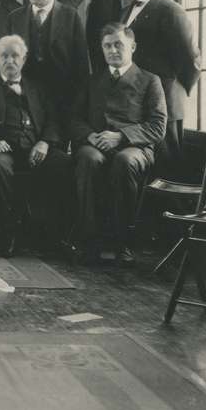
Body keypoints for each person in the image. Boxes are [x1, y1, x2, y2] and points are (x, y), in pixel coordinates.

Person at [0, 36, 73, 256]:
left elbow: (53, 120)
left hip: (35, 148)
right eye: (4, 55)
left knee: (65, 163)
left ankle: (54, 236)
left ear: (24, 59)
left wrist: (44, 143)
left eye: (15, 55)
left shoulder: (37, 88)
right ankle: (7, 234)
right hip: (2, 151)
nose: (9, 60)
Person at [70, 23, 167, 266]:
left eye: (118, 45)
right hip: (96, 142)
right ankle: (89, 241)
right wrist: (89, 136)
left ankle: (122, 242)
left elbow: (158, 127)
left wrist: (122, 136)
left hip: (135, 146)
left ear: (132, 47)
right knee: (88, 159)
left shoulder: (149, 80)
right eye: (107, 46)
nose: (112, 50)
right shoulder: (92, 81)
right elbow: (74, 119)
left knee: (125, 161)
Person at [120, 0, 200, 174]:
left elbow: (190, 61)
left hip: (166, 103)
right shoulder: (125, 12)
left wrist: (175, 92)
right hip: (135, 103)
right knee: (141, 168)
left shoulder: (171, 11)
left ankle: (167, 210)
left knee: (167, 168)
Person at [8, 0, 90, 119]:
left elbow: (81, 64)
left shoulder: (70, 16)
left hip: (61, 95)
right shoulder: (15, 18)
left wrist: (78, 101)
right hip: (25, 96)